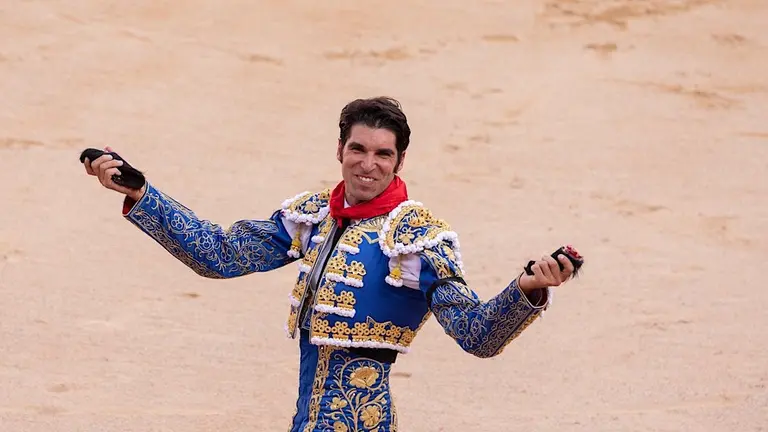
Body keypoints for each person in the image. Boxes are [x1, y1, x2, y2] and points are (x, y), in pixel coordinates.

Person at [83, 96, 581, 432]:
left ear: (400, 162)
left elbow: (477, 335)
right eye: (358, 149)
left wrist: (527, 290)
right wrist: (141, 194)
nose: (369, 164)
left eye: (383, 154)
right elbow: (219, 255)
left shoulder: (418, 238)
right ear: (339, 150)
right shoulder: (315, 215)